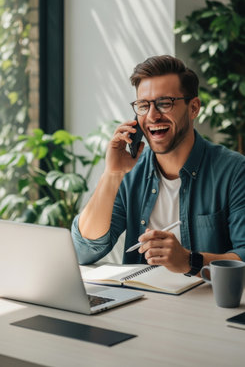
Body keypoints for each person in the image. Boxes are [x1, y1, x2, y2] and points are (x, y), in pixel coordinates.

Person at [71, 55, 245, 276]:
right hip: (141, 302)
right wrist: (112, 174)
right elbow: (83, 251)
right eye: (143, 105)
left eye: (165, 103)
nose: (152, 116)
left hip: (208, 305)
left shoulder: (234, 171)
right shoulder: (129, 172)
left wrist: (189, 261)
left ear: (193, 108)